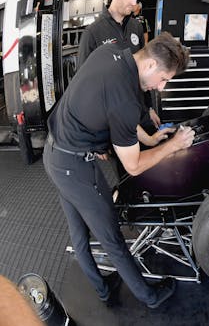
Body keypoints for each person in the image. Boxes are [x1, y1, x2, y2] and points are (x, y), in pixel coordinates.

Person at [43, 32, 195, 308]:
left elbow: (114, 109)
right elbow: (134, 166)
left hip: (54, 153)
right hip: (75, 167)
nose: (161, 87)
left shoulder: (112, 51)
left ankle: (103, 289)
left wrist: (149, 140)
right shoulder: (125, 99)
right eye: (164, 78)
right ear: (149, 65)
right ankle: (149, 297)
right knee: (111, 237)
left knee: (79, 232)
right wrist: (173, 146)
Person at [77, 0, 161, 134]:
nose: (134, 1)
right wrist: (94, 132)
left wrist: (150, 108)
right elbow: (84, 86)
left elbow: (143, 70)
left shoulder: (136, 27)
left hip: (139, 113)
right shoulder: (93, 32)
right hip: (112, 119)